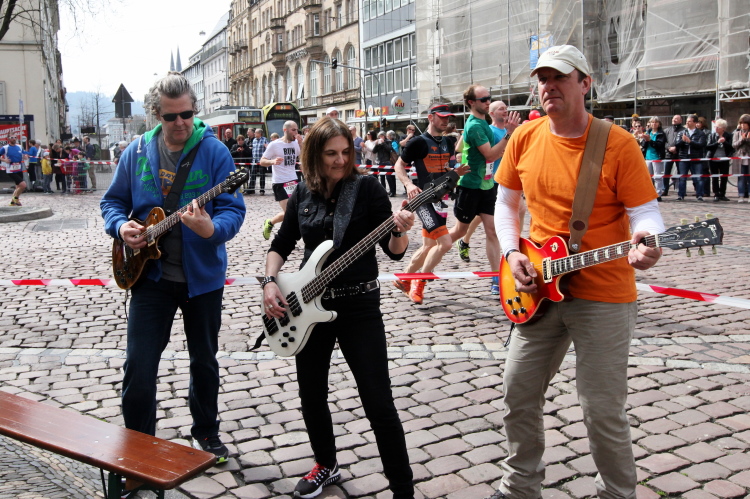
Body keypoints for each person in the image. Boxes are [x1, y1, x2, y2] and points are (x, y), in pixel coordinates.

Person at [489, 45, 663, 499]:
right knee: (517, 391)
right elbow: (506, 202)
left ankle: (618, 493)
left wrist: (647, 240)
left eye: (560, 77)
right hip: (537, 285)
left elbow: (645, 211)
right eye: (542, 79)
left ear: (585, 83)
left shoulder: (617, 143)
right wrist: (511, 253)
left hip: (604, 291)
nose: (548, 86)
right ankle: (519, 486)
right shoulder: (525, 137)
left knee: (601, 409)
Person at [100, 73, 246, 476]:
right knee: (139, 365)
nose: (181, 122)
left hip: (203, 280)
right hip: (149, 278)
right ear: (155, 115)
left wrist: (211, 229)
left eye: (187, 114)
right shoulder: (136, 152)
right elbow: (112, 202)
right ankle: (138, 447)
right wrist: (121, 228)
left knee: (204, 361)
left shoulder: (215, 152)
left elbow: (233, 210)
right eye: (170, 116)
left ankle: (206, 432)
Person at [262, 117, 415, 499]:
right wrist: (269, 282)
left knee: (378, 401)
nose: (341, 160)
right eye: (331, 153)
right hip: (307, 306)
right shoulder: (303, 192)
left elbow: (395, 252)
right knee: (311, 394)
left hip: (359, 307)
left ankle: (403, 489)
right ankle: (325, 465)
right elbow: (282, 243)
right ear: (315, 154)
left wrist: (399, 229)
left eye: (346, 152)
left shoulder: (366, 188)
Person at [393, 103, 468, 303]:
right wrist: (409, 184)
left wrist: (455, 173)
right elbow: (398, 165)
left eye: (447, 117)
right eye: (441, 117)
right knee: (445, 243)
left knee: (428, 247)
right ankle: (419, 283)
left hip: (440, 200)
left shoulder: (449, 142)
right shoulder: (418, 142)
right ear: (431, 117)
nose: (445, 121)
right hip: (422, 199)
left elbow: (447, 170)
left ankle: (404, 279)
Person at [447, 85, 505, 294]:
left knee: (492, 231)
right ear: (472, 102)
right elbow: (490, 155)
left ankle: (496, 278)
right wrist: (509, 136)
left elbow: (460, 148)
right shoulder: (474, 126)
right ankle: (427, 257)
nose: (488, 102)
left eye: (489, 98)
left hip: (487, 184)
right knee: (459, 231)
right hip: (470, 186)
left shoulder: (483, 124)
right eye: (484, 99)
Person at [456, 99, 521, 264]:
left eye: (506, 108)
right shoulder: (487, 130)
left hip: (507, 180)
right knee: (479, 219)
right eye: (501, 109)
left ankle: (512, 248)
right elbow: (461, 148)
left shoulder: (512, 130)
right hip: (490, 180)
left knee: (512, 212)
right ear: (491, 113)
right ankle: (464, 240)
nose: (505, 111)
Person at [260, 120, 301, 240]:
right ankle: (281, 232)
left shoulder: (296, 143)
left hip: (293, 180)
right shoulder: (275, 145)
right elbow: (262, 161)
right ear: (285, 130)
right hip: (280, 182)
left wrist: (301, 143)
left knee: (297, 211)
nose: (296, 132)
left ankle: (271, 222)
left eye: (297, 130)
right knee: (289, 212)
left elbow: (303, 156)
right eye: (293, 130)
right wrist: (273, 161)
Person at [674, 114, 707, 201]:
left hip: (696, 158)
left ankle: (699, 195)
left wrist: (690, 142)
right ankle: (681, 195)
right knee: (682, 177)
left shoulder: (700, 133)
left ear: (695, 123)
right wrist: (682, 140)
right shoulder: (681, 132)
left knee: (698, 177)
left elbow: (701, 145)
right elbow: (677, 144)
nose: (687, 123)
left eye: (689, 121)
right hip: (684, 157)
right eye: (686, 121)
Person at [706, 118, 734, 202]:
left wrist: (724, 142)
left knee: (724, 177)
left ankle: (722, 194)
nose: (716, 128)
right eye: (715, 126)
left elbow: (732, 147)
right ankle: (716, 194)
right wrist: (717, 142)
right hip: (713, 159)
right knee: (714, 177)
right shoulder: (711, 135)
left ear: (723, 128)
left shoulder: (729, 135)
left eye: (718, 127)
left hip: (724, 159)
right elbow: (708, 147)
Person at [639, 117, 666, 201]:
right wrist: (644, 139)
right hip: (648, 156)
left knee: (657, 176)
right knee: (648, 177)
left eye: (656, 122)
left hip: (657, 156)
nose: (654, 124)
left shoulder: (661, 133)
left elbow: (659, 145)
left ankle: (658, 194)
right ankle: (649, 193)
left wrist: (650, 140)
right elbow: (643, 145)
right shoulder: (648, 132)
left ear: (659, 124)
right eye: (652, 122)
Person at [0, 137, 28, 205]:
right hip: (11, 170)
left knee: (18, 187)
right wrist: (4, 160)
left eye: (15, 137)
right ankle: (16, 198)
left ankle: (12, 202)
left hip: (19, 168)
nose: (14, 139)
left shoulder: (19, 146)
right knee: (23, 185)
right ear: (9, 139)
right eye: (12, 138)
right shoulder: (5, 148)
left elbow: (23, 154)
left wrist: (25, 156)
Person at [662, 115, 685, 196]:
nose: (674, 120)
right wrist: (669, 148)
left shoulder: (684, 130)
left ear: (680, 121)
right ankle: (665, 189)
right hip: (668, 155)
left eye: (676, 119)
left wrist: (676, 148)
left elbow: (683, 142)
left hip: (679, 154)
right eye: (673, 118)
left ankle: (681, 191)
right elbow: (664, 142)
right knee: (666, 173)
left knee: (681, 173)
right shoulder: (667, 130)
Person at [373, 130, 397, 196]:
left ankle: (392, 191)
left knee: (389, 177)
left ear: (384, 136)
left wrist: (383, 143)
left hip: (387, 161)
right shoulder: (379, 143)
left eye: (381, 136)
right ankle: (383, 191)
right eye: (379, 137)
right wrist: (377, 144)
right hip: (380, 161)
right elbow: (374, 151)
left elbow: (389, 149)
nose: (380, 138)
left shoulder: (388, 141)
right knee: (382, 177)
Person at [733, 114, 750, 203]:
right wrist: (742, 139)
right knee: (741, 178)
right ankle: (741, 195)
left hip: (748, 157)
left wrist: (747, 139)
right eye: (741, 123)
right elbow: (734, 145)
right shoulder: (737, 133)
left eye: (745, 123)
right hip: (740, 158)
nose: (743, 125)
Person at [251, 128, 269, 194]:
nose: (254, 134)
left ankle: (262, 190)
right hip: (254, 160)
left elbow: (268, 148)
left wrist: (267, 146)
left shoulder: (264, 139)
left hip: (261, 161)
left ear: (259, 133)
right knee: (253, 175)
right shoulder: (254, 140)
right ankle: (251, 189)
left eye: (255, 132)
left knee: (262, 176)